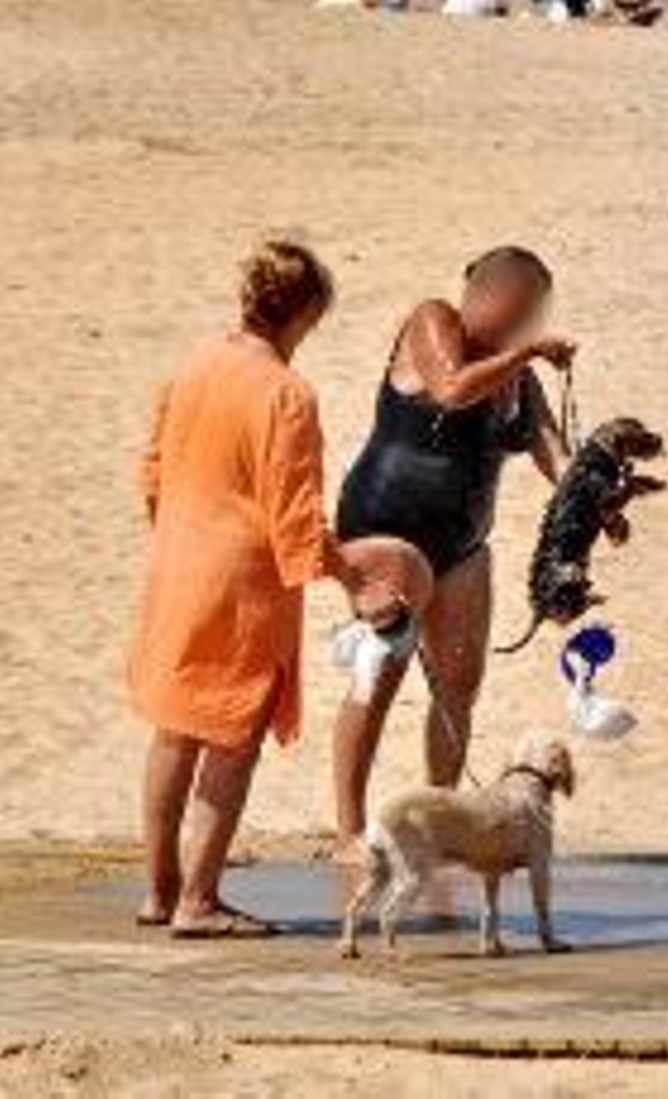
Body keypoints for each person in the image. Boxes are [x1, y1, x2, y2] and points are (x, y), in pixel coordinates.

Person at [129, 241, 425, 938]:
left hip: (177, 568)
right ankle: (198, 901)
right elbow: (293, 514)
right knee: (230, 740)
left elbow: (151, 471)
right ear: (302, 315)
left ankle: (159, 891)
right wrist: (358, 583)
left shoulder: (196, 363)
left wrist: (179, 532)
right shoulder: (287, 394)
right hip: (240, 588)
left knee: (174, 730)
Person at [330, 246, 575, 855]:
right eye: (514, 310)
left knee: (459, 682)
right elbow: (449, 388)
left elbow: (554, 454)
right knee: (379, 675)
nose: (519, 325)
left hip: (463, 541)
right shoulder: (433, 320)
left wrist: (596, 502)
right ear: (481, 295)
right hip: (386, 526)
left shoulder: (517, 373)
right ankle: (348, 828)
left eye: (531, 316)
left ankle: (439, 817)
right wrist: (524, 354)